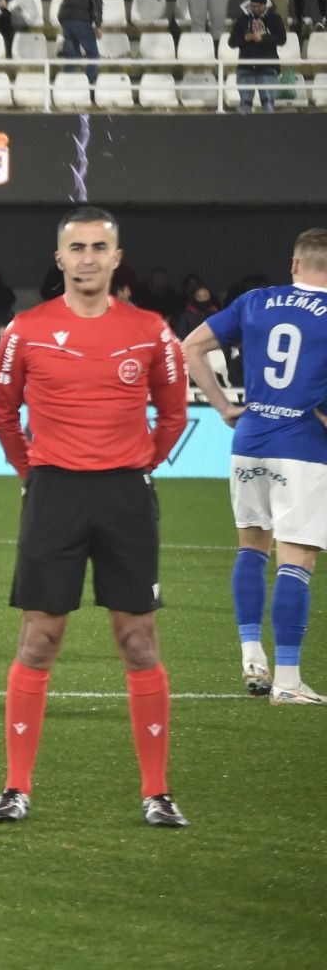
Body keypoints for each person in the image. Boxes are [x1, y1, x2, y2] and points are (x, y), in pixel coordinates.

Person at [0, 207, 190, 828]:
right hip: (54, 495)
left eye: (100, 247)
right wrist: (36, 474)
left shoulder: (150, 329)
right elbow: (2, 412)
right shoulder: (26, 329)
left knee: (137, 641)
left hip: (125, 496)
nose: (88, 258)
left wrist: (134, 468)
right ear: (60, 258)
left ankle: (156, 792)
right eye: (77, 248)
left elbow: (173, 414)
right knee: (40, 638)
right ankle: (16, 786)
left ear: (115, 255)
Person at [182, 228, 327, 706]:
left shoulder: (256, 301)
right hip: (302, 445)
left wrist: (223, 405)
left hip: (250, 439)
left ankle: (250, 654)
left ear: (294, 264)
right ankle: (287, 680)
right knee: (298, 558)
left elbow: (190, 347)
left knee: (251, 546)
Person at [229, 0, 286, 113]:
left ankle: (270, 131)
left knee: (268, 103)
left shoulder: (274, 19)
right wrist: (245, 38)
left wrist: (263, 38)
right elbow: (231, 42)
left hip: (268, 66)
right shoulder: (243, 20)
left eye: (258, 6)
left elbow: (282, 39)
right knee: (245, 104)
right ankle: (245, 131)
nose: (255, 9)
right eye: (253, 6)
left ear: (265, 5)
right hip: (246, 66)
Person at [56, 0, 102, 85]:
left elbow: (61, 9)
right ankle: (90, 83)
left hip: (66, 22)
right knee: (93, 54)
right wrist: (98, 26)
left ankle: (65, 84)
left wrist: (65, 24)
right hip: (81, 22)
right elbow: (97, 6)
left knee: (72, 56)